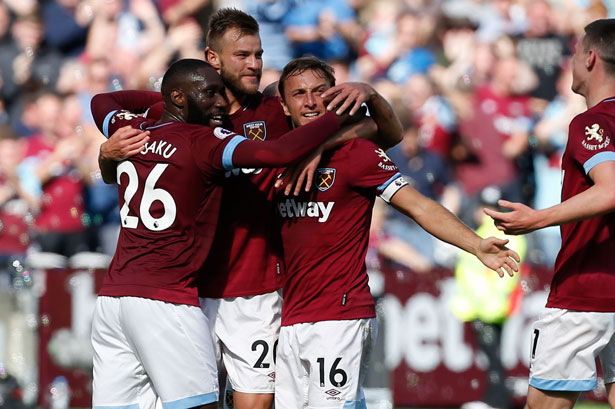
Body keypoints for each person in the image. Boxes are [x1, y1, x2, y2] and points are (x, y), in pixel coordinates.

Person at [98, 9, 402, 409]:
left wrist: (322, 142)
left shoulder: (277, 105)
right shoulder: (182, 112)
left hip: (254, 289)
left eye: (258, 54)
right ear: (213, 59)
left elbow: (385, 133)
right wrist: (107, 152)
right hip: (188, 291)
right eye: (242, 55)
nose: (255, 64)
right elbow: (109, 103)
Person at [273, 57, 521, 409]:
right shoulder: (273, 154)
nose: (310, 101)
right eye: (299, 94)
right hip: (289, 317)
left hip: (339, 318)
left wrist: (476, 244)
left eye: (319, 92)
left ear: (333, 98)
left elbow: (418, 205)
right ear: (283, 103)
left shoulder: (357, 153)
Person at [484, 19, 615, 409]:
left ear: (590, 57)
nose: (571, 61)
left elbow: (612, 191)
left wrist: (537, 218)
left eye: (576, 52)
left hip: (586, 291)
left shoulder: (589, 123)